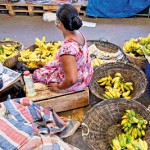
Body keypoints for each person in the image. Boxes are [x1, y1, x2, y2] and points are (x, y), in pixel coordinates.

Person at [33, 4, 93, 92]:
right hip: (86, 72)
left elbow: (72, 79)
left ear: (60, 23)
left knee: (36, 75)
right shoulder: (78, 33)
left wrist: (58, 87)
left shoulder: (67, 50)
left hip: (78, 82)